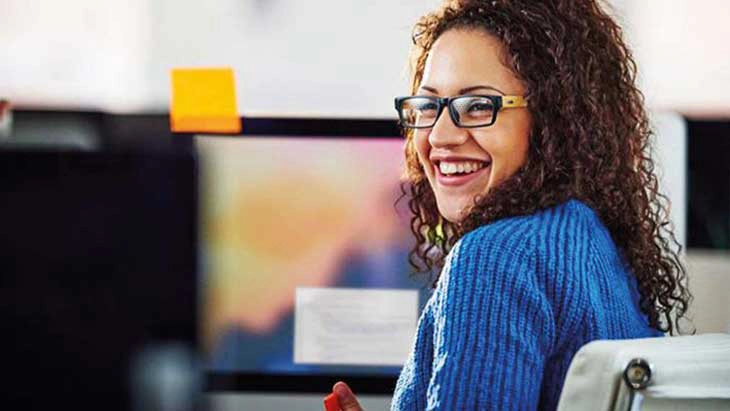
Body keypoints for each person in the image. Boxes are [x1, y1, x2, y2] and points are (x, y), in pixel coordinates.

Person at [328, 0, 690, 409]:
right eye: (428, 106)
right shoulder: (592, 242)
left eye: (479, 106)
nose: (440, 136)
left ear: (554, 119)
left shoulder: (495, 258)